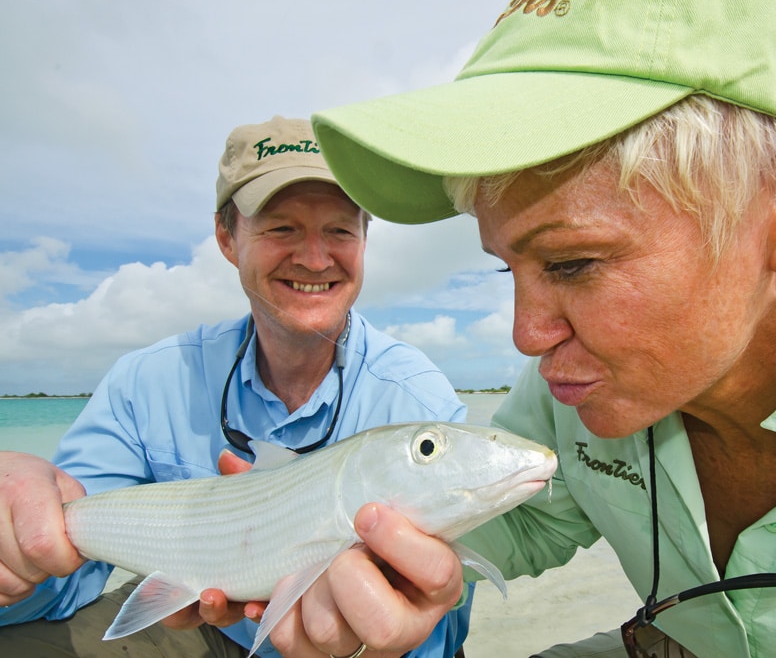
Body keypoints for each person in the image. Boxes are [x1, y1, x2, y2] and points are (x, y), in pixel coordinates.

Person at [299, 0, 776, 656]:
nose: (527, 335)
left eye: (572, 263)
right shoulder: (563, 400)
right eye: (507, 269)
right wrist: (348, 558)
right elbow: (516, 522)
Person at [0, 115, 474, 658]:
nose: (315, 259)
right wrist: (18, 541)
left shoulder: (415, 401)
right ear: (227, 237)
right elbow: (59, 577)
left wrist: (382, 632)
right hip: (204, 628)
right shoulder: (146, 384)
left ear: (365, 239)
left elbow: (442, 621)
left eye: (340, 229)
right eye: (281, 227)